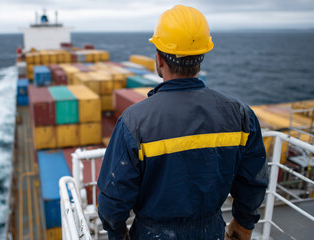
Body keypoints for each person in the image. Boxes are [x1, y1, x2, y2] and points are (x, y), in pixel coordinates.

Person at [97, 5, 268, 240]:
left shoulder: (133, 122)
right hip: (213, 232)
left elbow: (112, 201)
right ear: (202, 55)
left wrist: (118, 234)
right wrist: (243, 225)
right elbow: (253, 182)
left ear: (159, 59)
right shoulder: (241, 115)